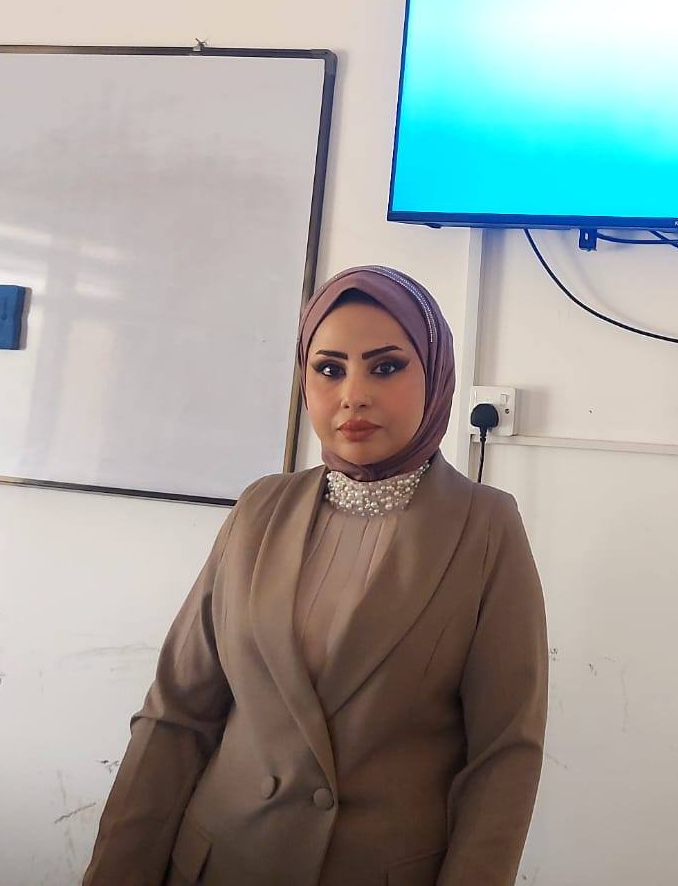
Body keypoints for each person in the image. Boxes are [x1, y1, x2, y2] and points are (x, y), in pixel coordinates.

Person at [84, 265, 548, 886]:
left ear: (436, 377)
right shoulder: (261, 508)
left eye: (386, 367)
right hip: (217, 863)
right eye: (329, 369)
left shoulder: (485, 526)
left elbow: (502, 756)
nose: (353, 395)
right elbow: (176, 715)